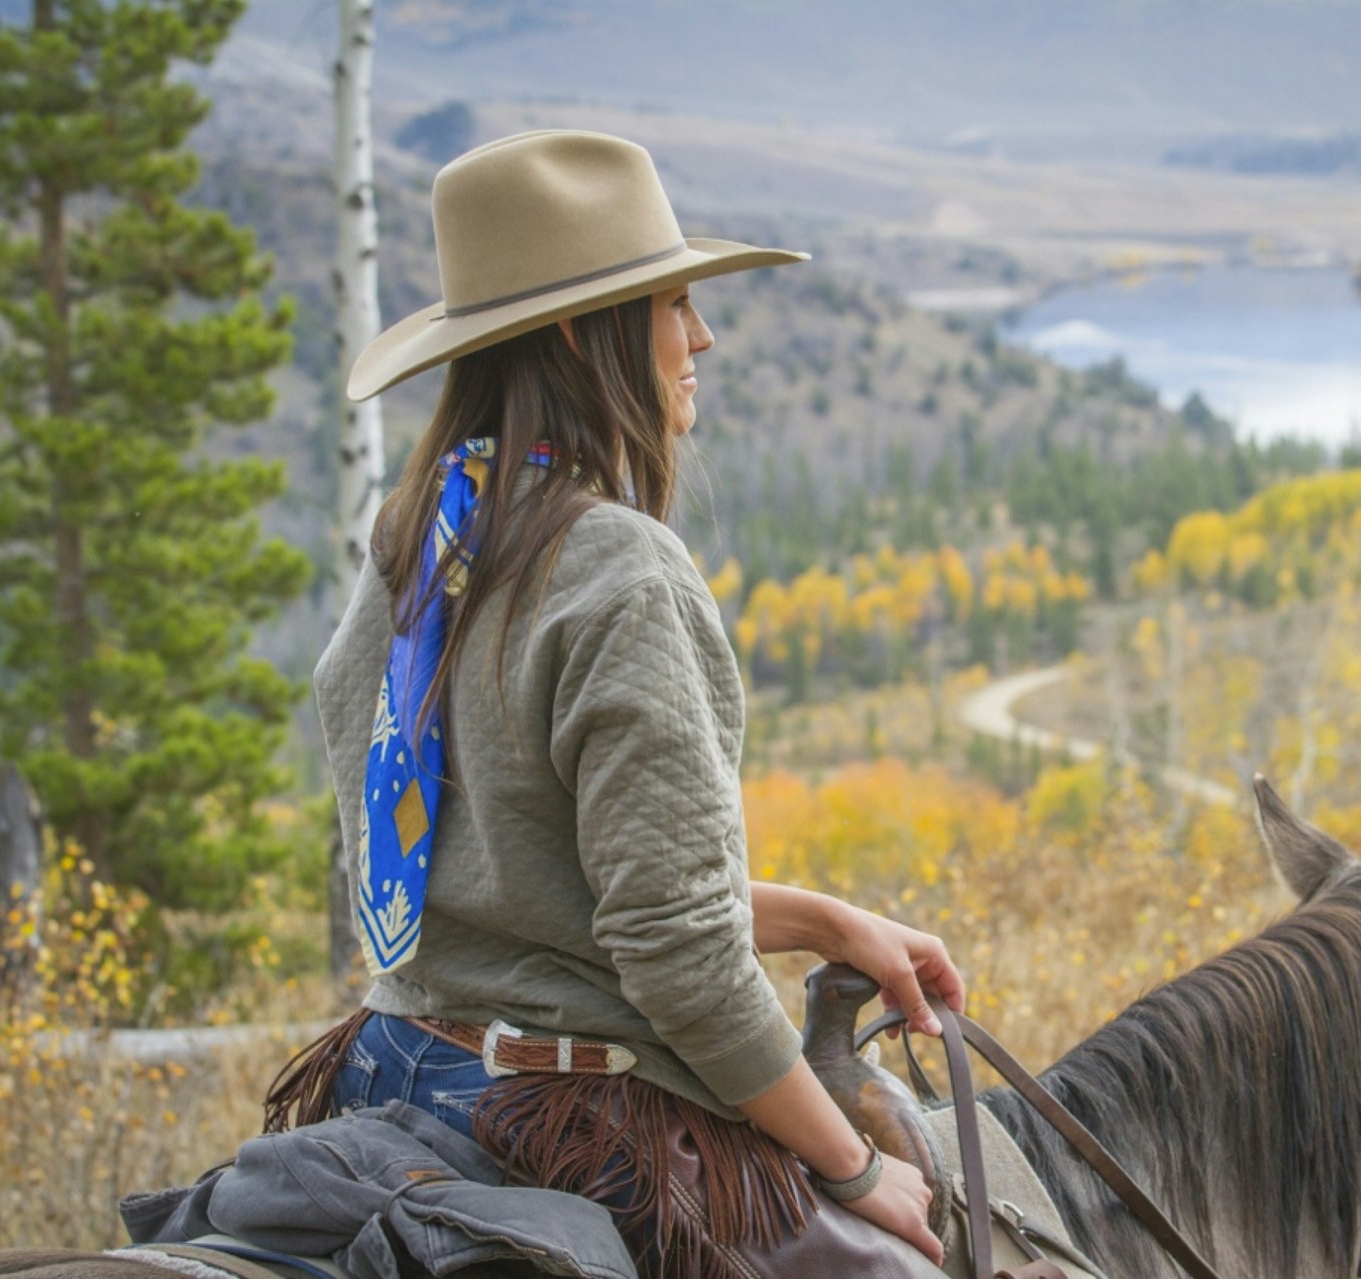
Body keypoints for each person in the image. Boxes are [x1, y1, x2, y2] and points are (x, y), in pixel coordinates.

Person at [268, 130, 964, 1277]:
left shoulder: (414, 550)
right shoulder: (618, 572)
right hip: (566, 1117)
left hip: (392, 1066)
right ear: (591, 339)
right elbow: (679, 959)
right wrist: (853, 1167)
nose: (700, 336)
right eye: (674, 303)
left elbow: (553, 893)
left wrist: (833, 925)